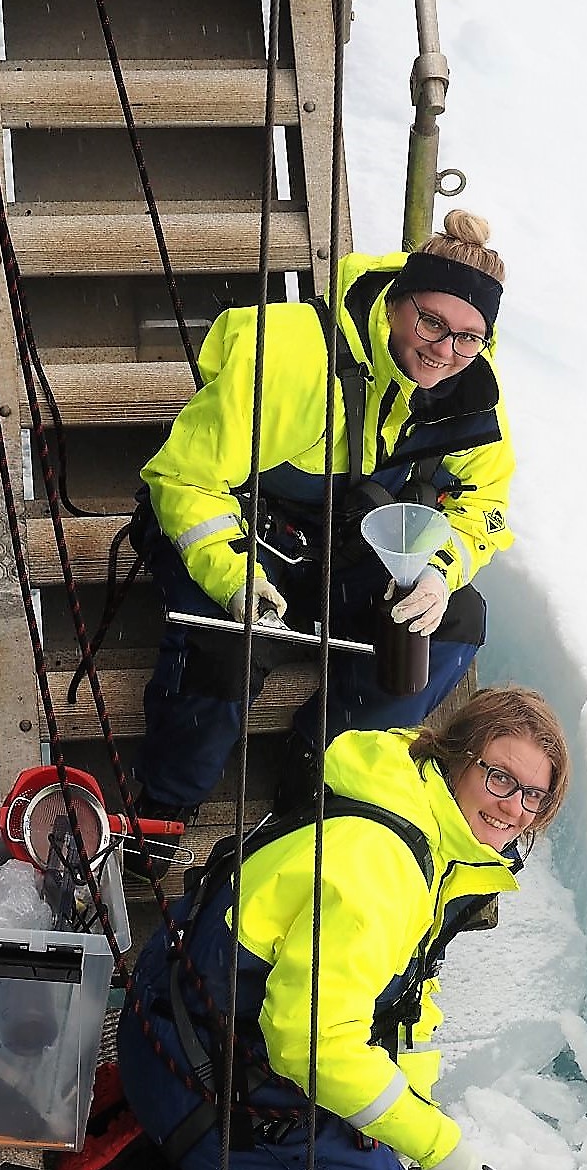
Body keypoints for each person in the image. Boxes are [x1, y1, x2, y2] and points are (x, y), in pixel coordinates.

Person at [115, 686, 570, 1170]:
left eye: (533, 796)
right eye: (500, 778)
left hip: (201, 1026)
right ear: (458, 758)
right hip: (187, 1070)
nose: (514, 808)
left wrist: (408, 1112)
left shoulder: (424, 828)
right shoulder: (380, 864)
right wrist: (434, 1142)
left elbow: (403, 998)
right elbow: (310, 1043)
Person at [127, 209, 516, 829]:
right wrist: (235, 577)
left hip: (349, 559)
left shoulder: (472, 394)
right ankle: (164, 809)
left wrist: (438, 573)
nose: (445, 352)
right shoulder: (286, 356)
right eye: (431, 322)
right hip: (245, 546)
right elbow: (183, 478)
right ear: (397, 301)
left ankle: (325, 770)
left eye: (469, 338)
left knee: (460, 621)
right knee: (220, 650)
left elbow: (484, 507)